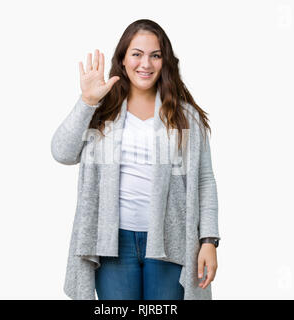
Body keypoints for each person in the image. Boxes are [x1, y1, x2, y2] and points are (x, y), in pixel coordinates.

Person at [51, 19, 220, 300]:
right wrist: (87, 100)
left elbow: (205, 180)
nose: (146, 64)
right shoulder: (101, 111)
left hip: (170, 241)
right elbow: (62, 153)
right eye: (137, 54)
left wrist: (209, 241)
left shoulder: (186, 116)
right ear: (123, 59)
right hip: (113, 244)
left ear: (165, 61)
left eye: (155, 55)